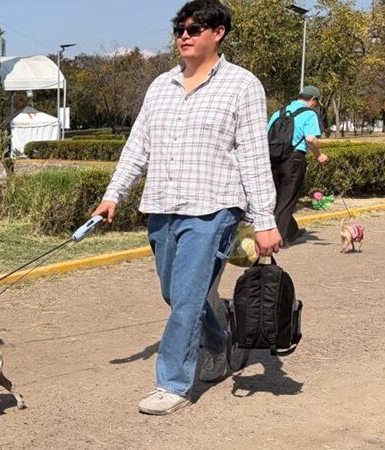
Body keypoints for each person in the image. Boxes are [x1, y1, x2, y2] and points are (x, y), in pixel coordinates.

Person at [91, 0, 282, 416]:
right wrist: (113, 194)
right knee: (175, 293)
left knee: (187, 297)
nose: (184, 35)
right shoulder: (160, 86)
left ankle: (174, 383)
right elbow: (137, 145)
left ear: (219, 33)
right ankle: (218, 342)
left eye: (194, 28)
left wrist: (265, 221)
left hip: (214, 209)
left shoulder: (242, 85)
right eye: (179, 28)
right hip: (162, 205)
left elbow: (253, 156)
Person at [269, 85, 328, 243]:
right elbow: (310, 139)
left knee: (277, 196)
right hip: (294, 159)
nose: (315, 105)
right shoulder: (309, 114)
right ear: (313, 100)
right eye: (316, 102)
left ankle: (292, 231)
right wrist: (319, 155)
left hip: (273, 158)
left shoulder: (278, 112)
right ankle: (280, 239)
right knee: (288, 198)